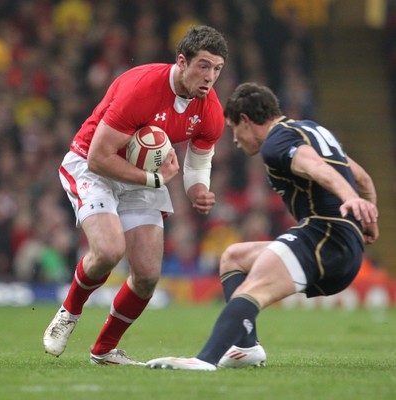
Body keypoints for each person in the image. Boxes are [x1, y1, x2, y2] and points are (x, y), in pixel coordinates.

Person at [146, 82, 379, 370]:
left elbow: (315, 167)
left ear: (246, 120)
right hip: (341, 242)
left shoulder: (276, 142)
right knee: (234, 257)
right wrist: (368, 218)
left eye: (233, 129)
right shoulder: (309, 129)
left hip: (326, 238)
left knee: (253, 290)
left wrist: (351, 200)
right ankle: (246, 347)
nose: (234, 140)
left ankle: (205, 360)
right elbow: (364, 178)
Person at [43, 25, 229, 365]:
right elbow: (99, 157)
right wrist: (155, 180)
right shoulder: (141, 89)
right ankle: (69, 313)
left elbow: (200, 162)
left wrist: (198, 189)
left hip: (143, 177)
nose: (210, 76)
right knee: (109, 250)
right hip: (90, 164)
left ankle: (103, 351)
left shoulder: (210, 109)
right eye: (203, 65)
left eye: (217, 68)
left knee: (146, 275)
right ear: (182, 61)